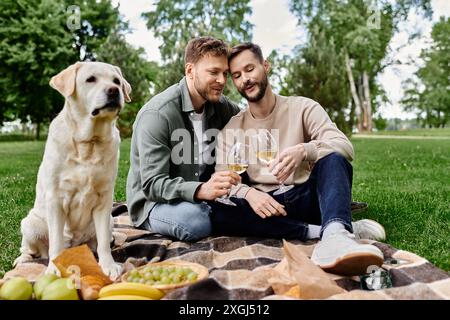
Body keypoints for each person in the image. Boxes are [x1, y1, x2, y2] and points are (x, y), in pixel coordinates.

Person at [210, 42, 386, 276]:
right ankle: (330, 229)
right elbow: (222, 180)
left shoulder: (302, 107)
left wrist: (305, 150)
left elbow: (344, 147)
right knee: (218, 213)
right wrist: (249, 193)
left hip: (304, 197)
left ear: (265, 66)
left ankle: (335, 236)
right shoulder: (233, 128)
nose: (245, 79)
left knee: (334, 159)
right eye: (237, 75)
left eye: (250, 69)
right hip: (264, 207)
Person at [126, 36, 241, 242]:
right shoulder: (158, 114)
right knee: (195, 221)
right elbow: (153, 184)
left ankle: (220, 212)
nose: (222, 81)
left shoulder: (222, 107)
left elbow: (253, 126)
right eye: (213, 72)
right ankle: (220, 214)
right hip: (153, 202)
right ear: (190, 70)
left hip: (204, 195)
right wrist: (200, 190)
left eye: (225, 73)